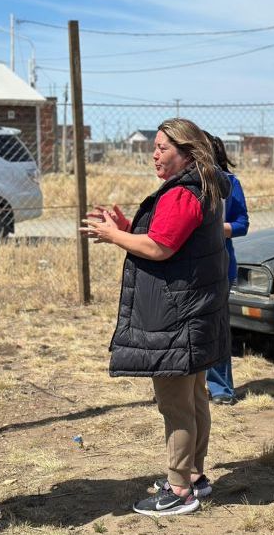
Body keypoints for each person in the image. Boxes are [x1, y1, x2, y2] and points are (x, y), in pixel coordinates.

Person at [80, 118, 231, 517]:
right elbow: (169, 240)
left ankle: (179, 489)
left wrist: (115, 237)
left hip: (177, 315)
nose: (154, 153)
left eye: (163, 147)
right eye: (155, 146)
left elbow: (161, 248)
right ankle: (194, 477)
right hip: (191, 310)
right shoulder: (202, 187)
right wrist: (127, 229)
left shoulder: (184, 193)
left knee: (176, 405)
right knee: (194, 397)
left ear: (187, 152)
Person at [204, 132, 249, 405]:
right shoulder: (180, 183)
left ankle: (221, 389)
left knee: (217, 328)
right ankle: (189, 386)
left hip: (220, 267)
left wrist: (216, 229)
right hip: (187, 269)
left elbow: (242, 223)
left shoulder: (230, 183)